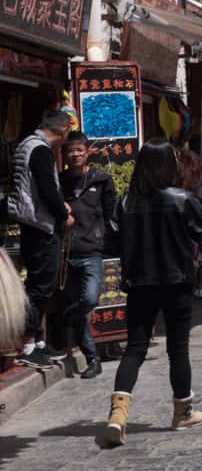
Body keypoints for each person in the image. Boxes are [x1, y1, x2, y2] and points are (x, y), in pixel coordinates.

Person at [103, 139, 202, 447]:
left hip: (139, 284)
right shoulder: (182, 199)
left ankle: (118, 415)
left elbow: (111, 243)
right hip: (176, 282)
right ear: (168, 165)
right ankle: (182, 412)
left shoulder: (125, 202)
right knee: (178, 349)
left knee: (135, 349)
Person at [11, 110, 74, 371]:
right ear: (62, 129)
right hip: (39, 226)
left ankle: (38, 343)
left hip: (31, 224)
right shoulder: (40, 150)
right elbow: (47, 189)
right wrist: (63, 214)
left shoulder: (26, 145)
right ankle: (27, 345)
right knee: (39, 286)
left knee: (41, 285)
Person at [59, 132, 116, 379]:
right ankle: (93, 358)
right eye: (71, 150)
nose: (75, 154)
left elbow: (110, 211)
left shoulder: (101, 180)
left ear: (87, 152)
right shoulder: (58, 182)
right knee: (80, 310)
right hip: (67, 251)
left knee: (90, 299)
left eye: (80, 150)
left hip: (91, 250)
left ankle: (66, 316)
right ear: (64, 155)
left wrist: (101, 235)